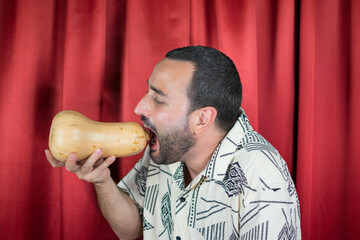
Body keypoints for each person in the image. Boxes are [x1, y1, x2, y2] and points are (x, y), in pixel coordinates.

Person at [45, 46, 301, 239]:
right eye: (148, 92)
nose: (138, 107)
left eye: (158, 99)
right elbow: (132, 229)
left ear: (202, 119)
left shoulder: (263, 178)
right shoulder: (168, 146)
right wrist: (102, 180)